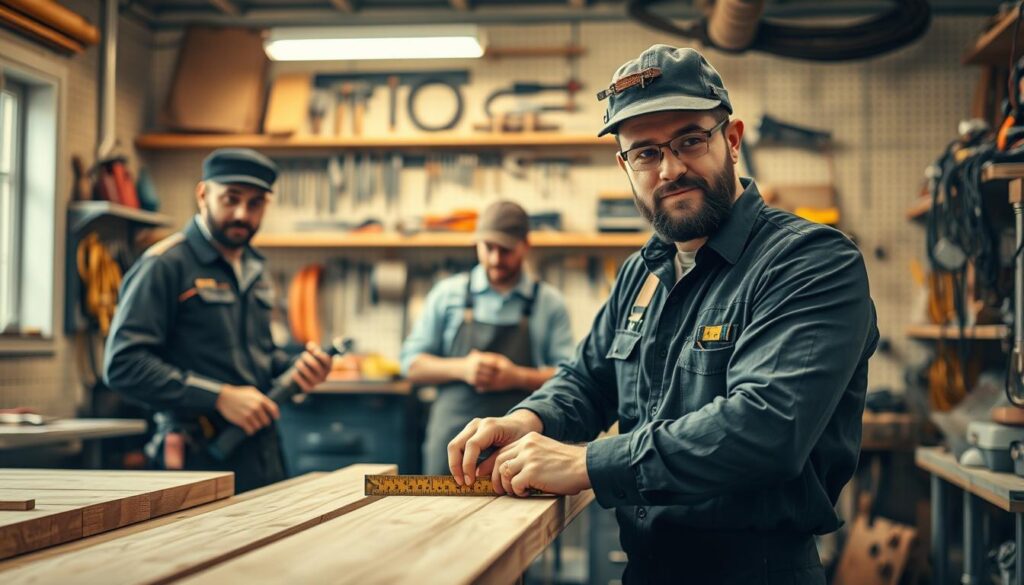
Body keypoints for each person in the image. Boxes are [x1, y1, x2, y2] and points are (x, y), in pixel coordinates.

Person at [446, 45, 879, 584]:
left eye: (690, 140)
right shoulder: (642, 271)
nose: (670, 169)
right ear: (625, 166)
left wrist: (586, 464)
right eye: (646, 153)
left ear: (732, 140)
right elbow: (588, 379)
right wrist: (526, 420)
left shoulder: (809, 261)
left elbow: (768, 428)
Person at [104, 148, 332, 492]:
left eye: (255, 203)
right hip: (196, 458)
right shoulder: (164, 265)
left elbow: (257, 358)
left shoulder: (255, 268)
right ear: (203, 195)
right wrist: (218, 397)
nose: (242, 214)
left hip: (261, 453)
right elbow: (123, 365)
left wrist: (297, 368)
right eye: (231, 199)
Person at [400, 200, 575, 474]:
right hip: (449, 445)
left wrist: (517, 376)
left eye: (505, 250)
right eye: (488, 247)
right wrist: (463, 368)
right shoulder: (447, 294)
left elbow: (570, 379)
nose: (495, 259)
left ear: (525, 245)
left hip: (519, 451)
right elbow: (411, 365)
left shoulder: (549, 303)